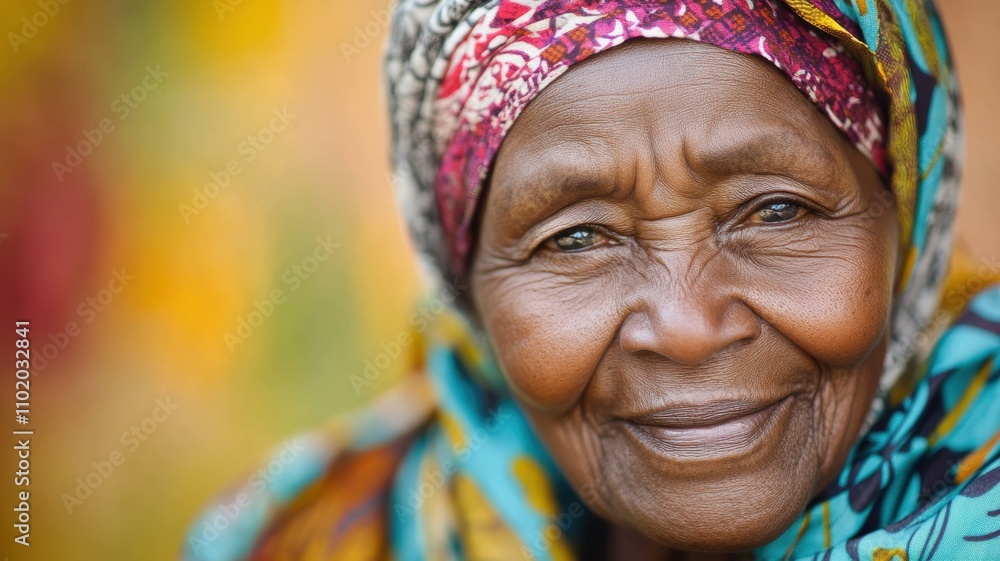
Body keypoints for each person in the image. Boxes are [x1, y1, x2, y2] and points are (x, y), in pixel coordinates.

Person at [183, 1, 1000, 559]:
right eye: (576, 238)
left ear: (906, 224)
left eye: (776, 212)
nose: (686, 326)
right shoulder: (294, 537)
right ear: (467, 283)